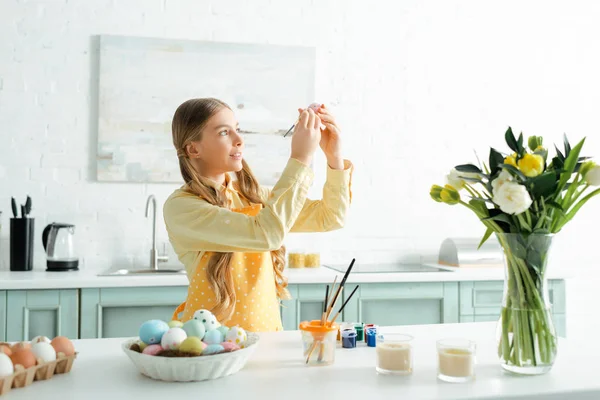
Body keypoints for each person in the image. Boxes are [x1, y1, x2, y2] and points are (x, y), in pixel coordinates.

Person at [164, 98, 353, 332]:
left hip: (267, 337)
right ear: (194, 149)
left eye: (238, 129)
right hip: (213, 346)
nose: (239, 139)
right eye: (224, 132)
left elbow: (329, 216)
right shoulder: (183, 207)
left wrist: (334, 158)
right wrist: (301, 158)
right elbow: (266, 234)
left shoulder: (252, 195)